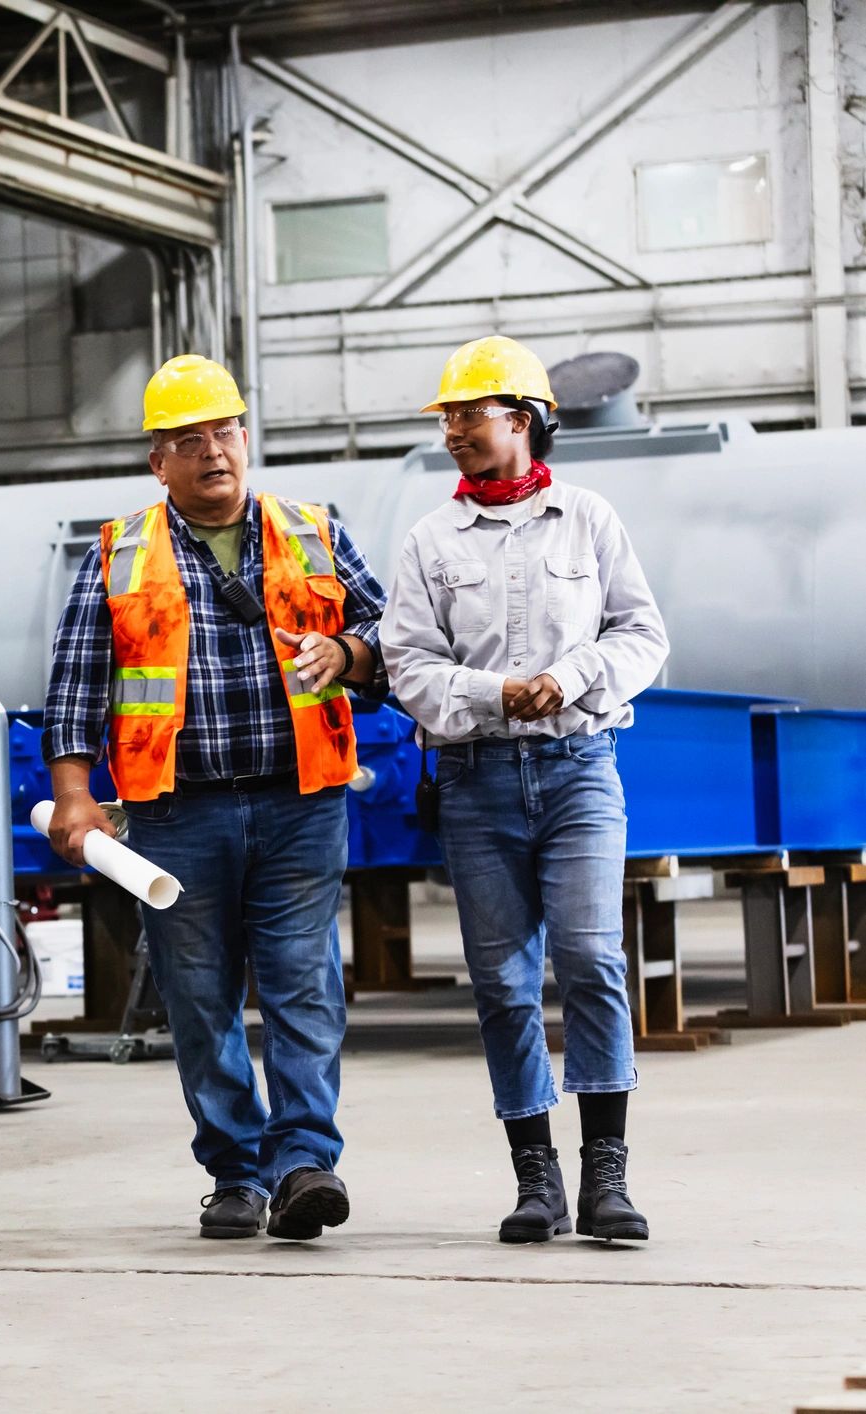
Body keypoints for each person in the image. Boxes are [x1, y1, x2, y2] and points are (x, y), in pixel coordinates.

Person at [43, 354, 386, 1242]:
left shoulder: (313, 531)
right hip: (176, 812)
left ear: (247, 437)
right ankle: (234, 1172)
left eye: (225, 431)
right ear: (158, 461)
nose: (213, 452)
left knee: (303, 987)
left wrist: (347, 655)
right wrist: (74, 798)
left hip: (298, 800)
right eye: (188, 440)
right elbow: (77, 687)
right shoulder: (116, 554)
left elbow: (390, 632)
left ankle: (303, 1163)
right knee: (198, 997)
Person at [381, 335, 670, 1243]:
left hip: (579, 768)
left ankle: (605, 1180)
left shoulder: (587, 518)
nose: (456, 431)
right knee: (503, 985)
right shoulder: (429, 539)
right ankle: (534, 1180)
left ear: (524, 420)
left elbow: (642, 634)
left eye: (471, 414)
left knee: (591, 961)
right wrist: (489, 693)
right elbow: (405, 664)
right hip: (475, 782)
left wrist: (574, 675)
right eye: (449, 417)